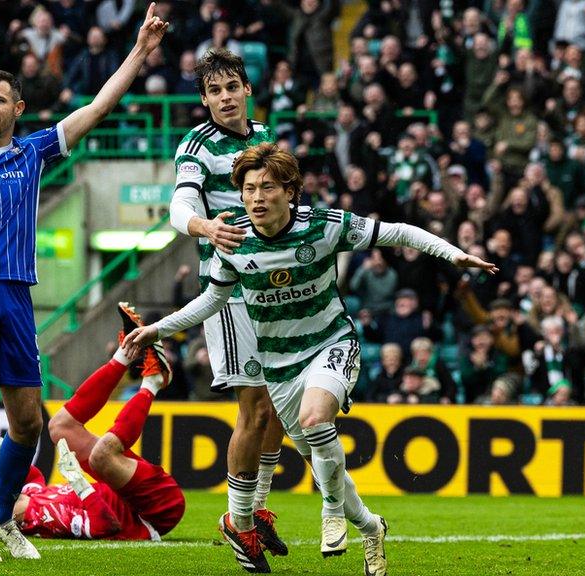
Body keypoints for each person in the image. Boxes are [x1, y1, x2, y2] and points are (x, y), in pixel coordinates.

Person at [125, 143, 497, 575]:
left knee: (317, 419)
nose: (257, 197)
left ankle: (331, 513)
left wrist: (453, 254)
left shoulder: (324, 225)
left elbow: (396, 232)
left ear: (290, 191)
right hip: (279, 366)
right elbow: (212, 300)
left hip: (331, 343)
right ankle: (371, 526)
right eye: (248, 189)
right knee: (323, 466)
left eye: (267, 187)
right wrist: (158, 329)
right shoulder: (234, 241)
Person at [0, 5, 169, 563]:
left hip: (17, 296)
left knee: (28, 420)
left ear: (17, 108)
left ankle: (2, 519)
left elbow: (97, 106)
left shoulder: (33, 151)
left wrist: (140, 51)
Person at [166, 48, 288, 562]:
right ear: (204, 99)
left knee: (280, 405)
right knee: (254, 406)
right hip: (230, 292)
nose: (224, 98)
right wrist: (205, 226)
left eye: (231, 87)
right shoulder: (196, 145)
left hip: (270, 289)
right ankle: (237, 522)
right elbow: (179, 205)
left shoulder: (264, 138)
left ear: (247, 89)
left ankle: (256, 509)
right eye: (214, 91)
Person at [0, 304, 185, 540]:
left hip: (126, 492)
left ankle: (124, 353)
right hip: (153, 511)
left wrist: (7, 457)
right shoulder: (44, 519)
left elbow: (33, 476)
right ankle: (153, 380)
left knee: (59, 427)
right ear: (10, 519)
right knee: (101, 455)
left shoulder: (30, 496)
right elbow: (105, 525)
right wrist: (78, 483)